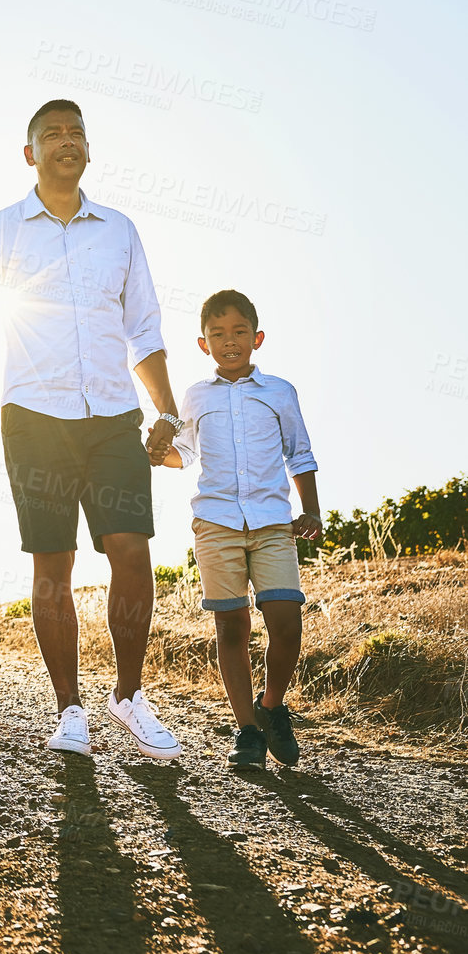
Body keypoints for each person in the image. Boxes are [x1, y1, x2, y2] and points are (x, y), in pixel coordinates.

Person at [0, 99, 185, 759]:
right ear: (29, 153)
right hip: (33, 417)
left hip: (113, 418)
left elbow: (143, 329)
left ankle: (126, 695)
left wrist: (167, 411)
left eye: (76, 132)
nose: (66, 140)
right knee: (51, 564)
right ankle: (69, 708)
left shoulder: (118, 231)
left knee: (130, 551)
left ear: (88, 150)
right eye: (51, 133)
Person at [162, 290, 319, 770]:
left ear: (257, 337)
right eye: (217, 335)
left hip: (273, 523)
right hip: (216, 524)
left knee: (286, 623)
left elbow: (300, 453)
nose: (229, 341)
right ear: (202, 343)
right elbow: (183, 455)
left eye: (238, 333)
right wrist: (154, 452)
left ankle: (270, 707)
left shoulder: (279, 391)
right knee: (231, 626)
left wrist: (311, 508)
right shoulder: (195, 397)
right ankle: (247, 731)